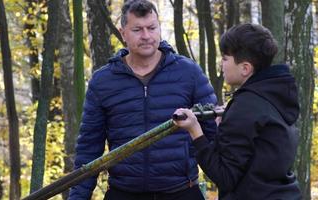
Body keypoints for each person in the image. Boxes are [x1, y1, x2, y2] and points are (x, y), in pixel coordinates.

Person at [68, 0, 217, 199]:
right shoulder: (103, 81)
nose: (146, 36)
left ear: (159, 29)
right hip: (124, 193)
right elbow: (89, 147)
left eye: (152, 28)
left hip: (182, 190)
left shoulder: (188, 72)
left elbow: (214, 136)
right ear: (123, 33)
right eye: (138, 29)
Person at [173, 23, 302, 200]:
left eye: (225, 58)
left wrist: (195, 131)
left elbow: (224, 176)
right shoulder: (274, 97)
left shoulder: (245, 106)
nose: (221, 64)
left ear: (245, 68)